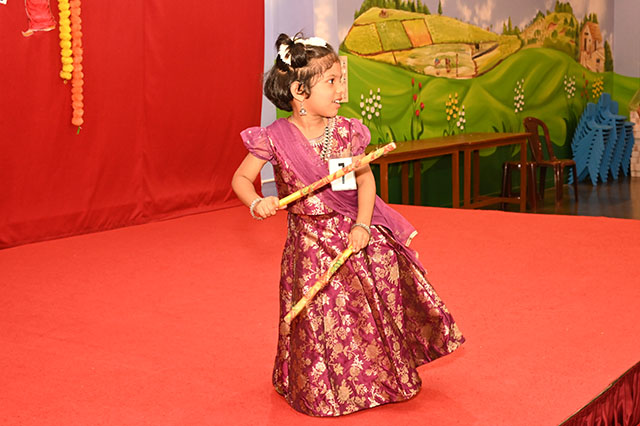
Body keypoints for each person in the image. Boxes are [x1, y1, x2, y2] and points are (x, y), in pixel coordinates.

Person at [231, 33, 464, 417]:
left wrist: (363, 226)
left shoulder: (345, 132)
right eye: (332, 81)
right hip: (308, 245)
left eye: (342, 79)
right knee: (321, 316)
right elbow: (241, 179)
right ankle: (322, 390)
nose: (342, 90)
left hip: (350, 235)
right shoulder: (273, 138)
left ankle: (379, 379)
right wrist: (257, 202)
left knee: (367, 302)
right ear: (299, 92)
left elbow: (364, 183)